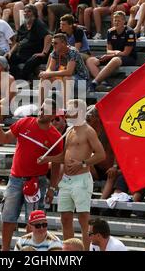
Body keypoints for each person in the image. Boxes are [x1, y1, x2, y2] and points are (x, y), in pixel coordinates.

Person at [0, 98, 64, 251]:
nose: (42, 112)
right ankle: (5, 250)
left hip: (37, 181)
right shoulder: (24, 123)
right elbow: (4, 139)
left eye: (46, 111)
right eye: (42, 108)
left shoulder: (55, 137)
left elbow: (57, 164)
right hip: (15, 178)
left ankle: (31, 250)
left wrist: (52, 188)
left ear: (53, 115)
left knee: (34, 220)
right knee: (8, 217)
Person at [40, 99, 105, 250]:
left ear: (79, 112)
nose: (67, 114)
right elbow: (64, 156)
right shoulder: (70, 130)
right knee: (65, 218)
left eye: (70, 110)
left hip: (81, 179)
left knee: (84, 220)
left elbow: (101, 155)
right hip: (67, 180)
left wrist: (82, 163)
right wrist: (47, 159)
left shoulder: (88, 131)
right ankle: (69, 251)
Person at [87, 10, 137, 92]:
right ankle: (103, 83)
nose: (116, 22)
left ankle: (95, 82)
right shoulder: (110, 31)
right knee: (90, 60)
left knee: (115, 60)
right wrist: (113, 54)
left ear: (124, 21)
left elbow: (126, 53)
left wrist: (112, 55)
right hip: (115, 56)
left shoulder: (129, 32)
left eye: (119, 20)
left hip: (129, 58)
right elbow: (108, 50)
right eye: (115, 20)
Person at [38, 34, 89, 106]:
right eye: (52, 43)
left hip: (81, 82)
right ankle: (40, 109)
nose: (53, 45)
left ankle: (65, 109)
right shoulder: (55, 52)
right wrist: (45, 74)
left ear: (63, 43)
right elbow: (50, 69)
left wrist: (49, 74)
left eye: (55, 43)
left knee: (66, 78)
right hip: (65, 81)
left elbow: (69, 72)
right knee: (44, 79)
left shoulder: (72, 52)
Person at [7, 4, 51, 82]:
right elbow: (17, 42)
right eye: (25, 12)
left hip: (36, 54)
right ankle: (19, 78)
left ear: (34, 13)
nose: (26, 13)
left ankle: (21, 80)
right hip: (24, 54)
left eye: (29, 11)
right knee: (8, 58)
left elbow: (48, 37)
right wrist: (10, 52)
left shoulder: (38, 24)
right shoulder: (23, 26)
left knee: (30, 62)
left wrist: (44, 53)